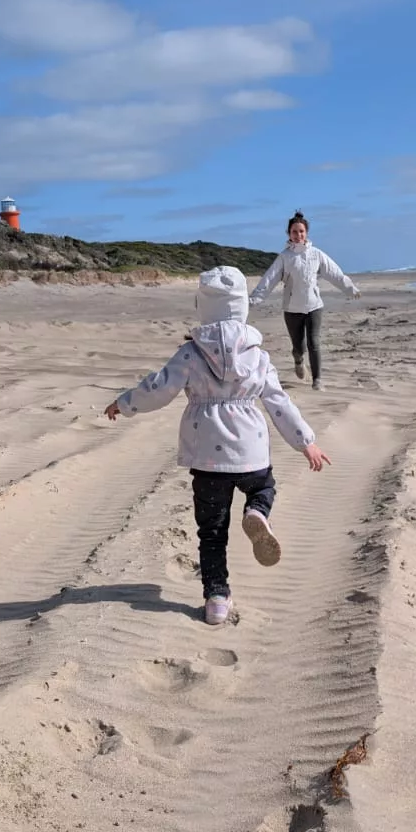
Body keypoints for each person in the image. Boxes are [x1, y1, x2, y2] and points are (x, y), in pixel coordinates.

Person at [104, 266, 330, 627]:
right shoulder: (257, 355)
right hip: (250, 451)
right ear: (242, 306)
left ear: (202, 305)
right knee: (264, 486)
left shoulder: (191, 353)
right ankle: (257, 512)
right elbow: (278, 403)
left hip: (207, 455)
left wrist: (125, 403)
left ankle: (216, 598)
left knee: (212, 532)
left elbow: (158, 389)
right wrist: (307, 442)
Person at [249, 210, 360, 390]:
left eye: (301, 231)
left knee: (314, 342)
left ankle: (318, 380)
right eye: (294, 232)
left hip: (314, 306)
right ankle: (298, 360)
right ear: (289, 234)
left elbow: (334, 272)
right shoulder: (285, 257)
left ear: (306, 233)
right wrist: (255, 298)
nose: (298, 235)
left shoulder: (316, 254)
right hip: (292, 309)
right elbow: (269, 279)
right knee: (299, 347)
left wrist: (349, 288)